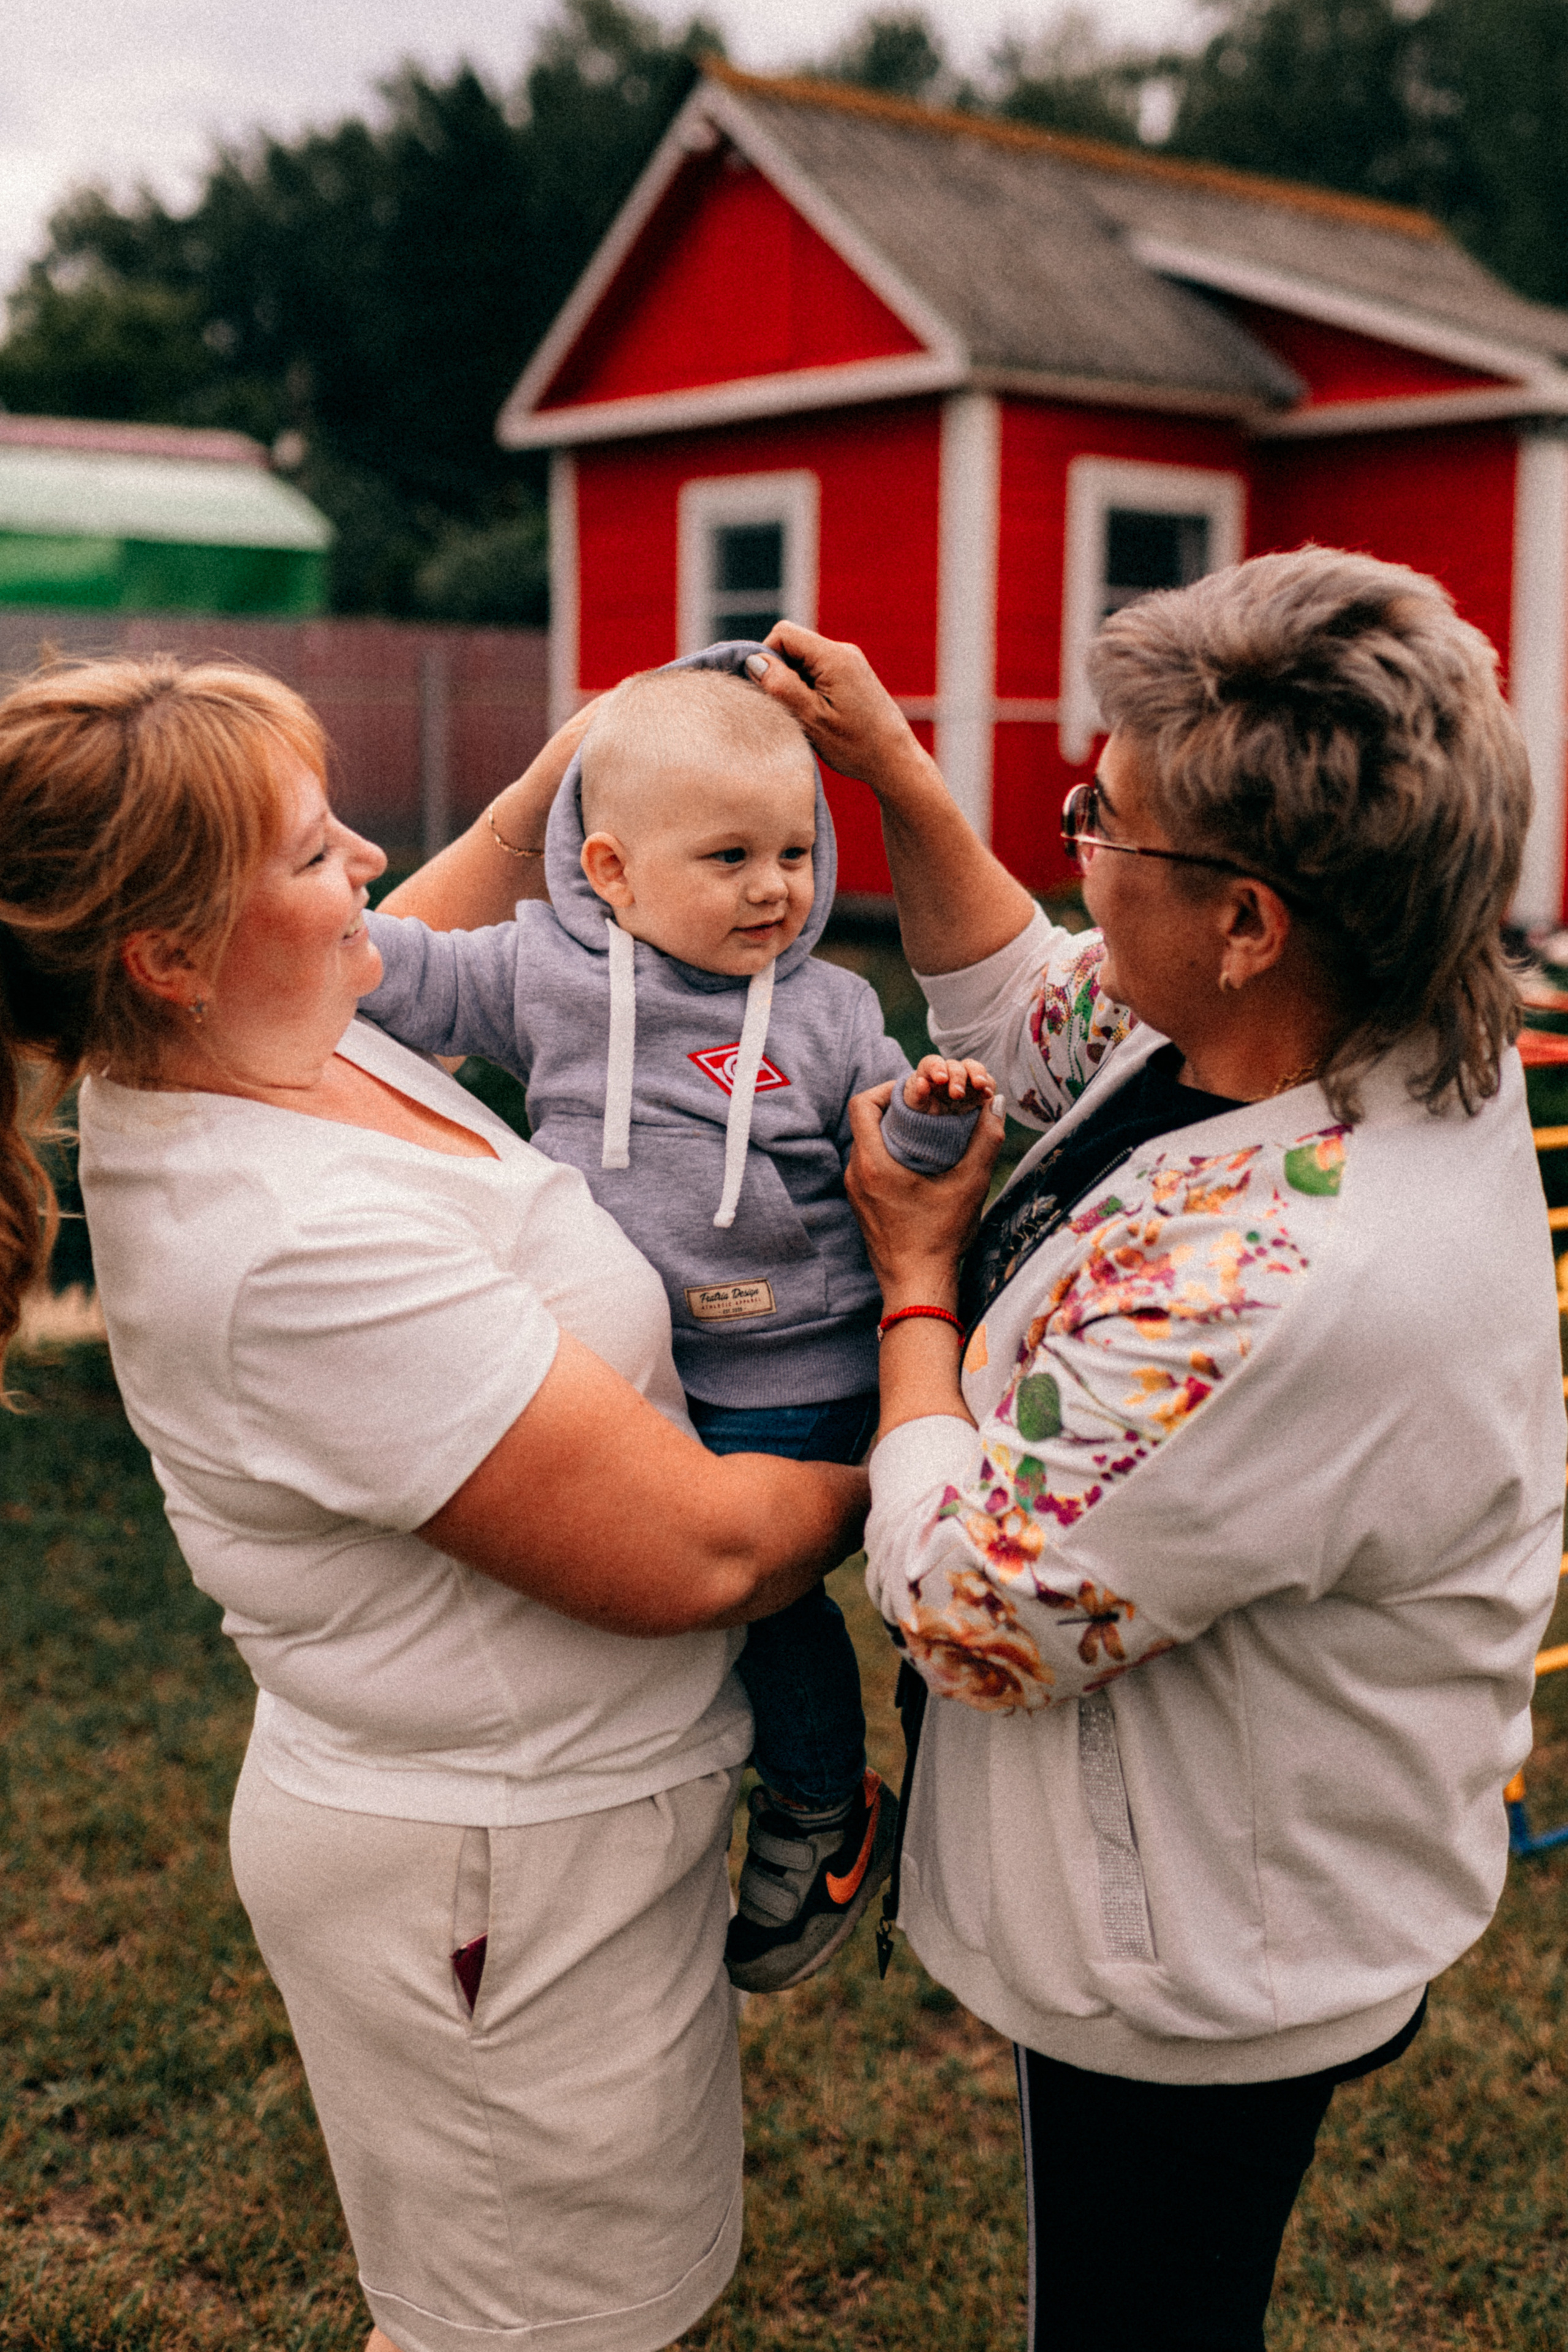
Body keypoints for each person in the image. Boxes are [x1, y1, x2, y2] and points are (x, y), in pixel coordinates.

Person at [745, 547, 1566, 2352]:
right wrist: (892, 767)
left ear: (1255, 917)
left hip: (1202, 1944)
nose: (1076, 858)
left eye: (1099, 825)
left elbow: (972, 1606)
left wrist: (914, 1287)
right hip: (1232, 1850)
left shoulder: (1287, 1287)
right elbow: (1041, 1008)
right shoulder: (1353, 1009)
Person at [0, 654, 872, 2352]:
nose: (373, 875)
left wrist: (609, 742)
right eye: (321, 853)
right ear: (167, 956)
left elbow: (471, 868)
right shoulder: (292, 1247)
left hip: (571, 1837)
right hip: (497, 1892)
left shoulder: (288, 1025)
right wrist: (925, 1415)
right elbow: (698, 1549)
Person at [360, 642, 990, 1993]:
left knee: (755, 1595)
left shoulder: (825, 1013)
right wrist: (278, 898)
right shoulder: (540, 976)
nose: (775, 889)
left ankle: (823, 1804)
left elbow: (899, 1158)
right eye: (728, 859)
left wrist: (933, 1123)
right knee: (608, 1568)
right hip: (632, 1366)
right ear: (609, 872)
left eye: (796, 852)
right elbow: (384, 981)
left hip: (795, 1365)